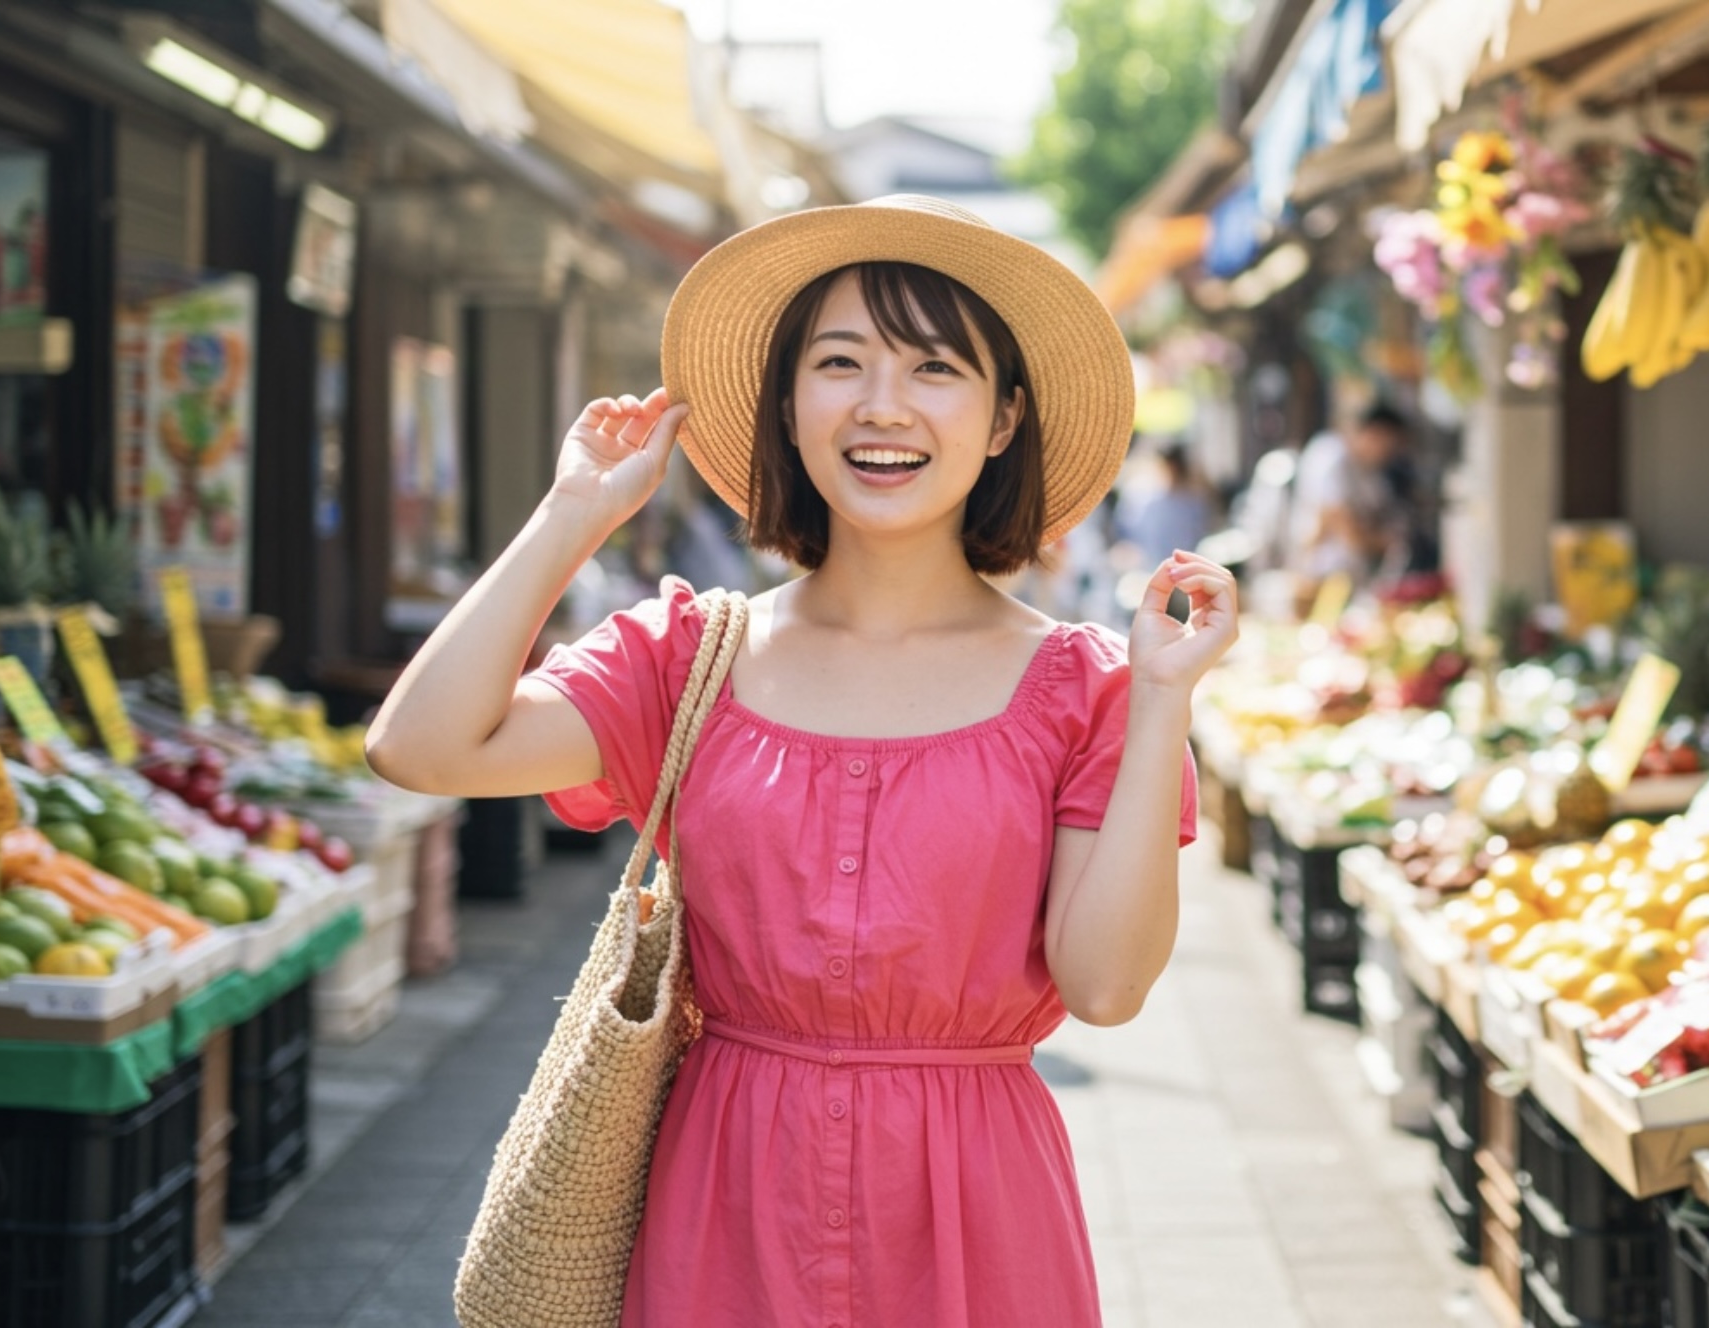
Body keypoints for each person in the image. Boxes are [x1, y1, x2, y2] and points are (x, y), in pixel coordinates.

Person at [363, 195, 1234, 1327]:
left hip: (978, 1226)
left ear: (1004, 418)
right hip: (722, 1218)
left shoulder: (1089, 690)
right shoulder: (688, 655)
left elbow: (1105, 986)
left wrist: (1163, 699)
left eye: (935, 367)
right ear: (787, 404)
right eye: (839, 362)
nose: (882, 405)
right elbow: (419, 746)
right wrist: (572, 515)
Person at [1289, 401, 1407, 601]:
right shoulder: (1331, 455)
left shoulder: (1369, 472)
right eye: (1388, 444)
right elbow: (1341, 525)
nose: (1388, 453)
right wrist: (1380, 542)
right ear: (1375, 433)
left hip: (1351, 579)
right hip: (1321, 579)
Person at [1118, 442, 1216, 568]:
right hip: (1152, 567)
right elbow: (1130, 534)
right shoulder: (1146, 499)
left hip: (1187, 567)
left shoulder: (1195, 501)